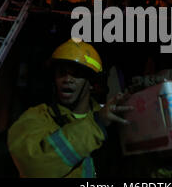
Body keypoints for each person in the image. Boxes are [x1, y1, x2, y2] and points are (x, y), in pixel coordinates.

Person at [7, 38, 134, 178]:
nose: (67, 79)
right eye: (61, 73)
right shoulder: (36, 118)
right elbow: (33, 168)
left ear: (91, 83)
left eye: (76, 74)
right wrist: (96, 124)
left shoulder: (111, 122)